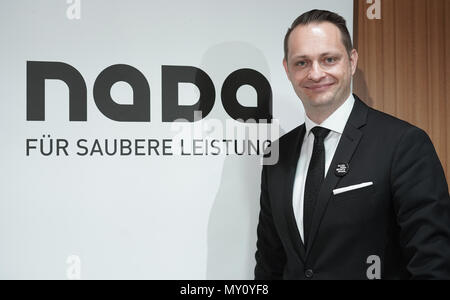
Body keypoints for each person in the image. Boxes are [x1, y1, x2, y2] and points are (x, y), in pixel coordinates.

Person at [254, 9, 450, 280]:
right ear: (287, 69)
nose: (315, 73)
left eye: (329, 59)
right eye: (302, 63)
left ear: (352, 61)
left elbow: (432, 262)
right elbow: (269, 261)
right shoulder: (277, 154)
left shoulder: (403, 144)